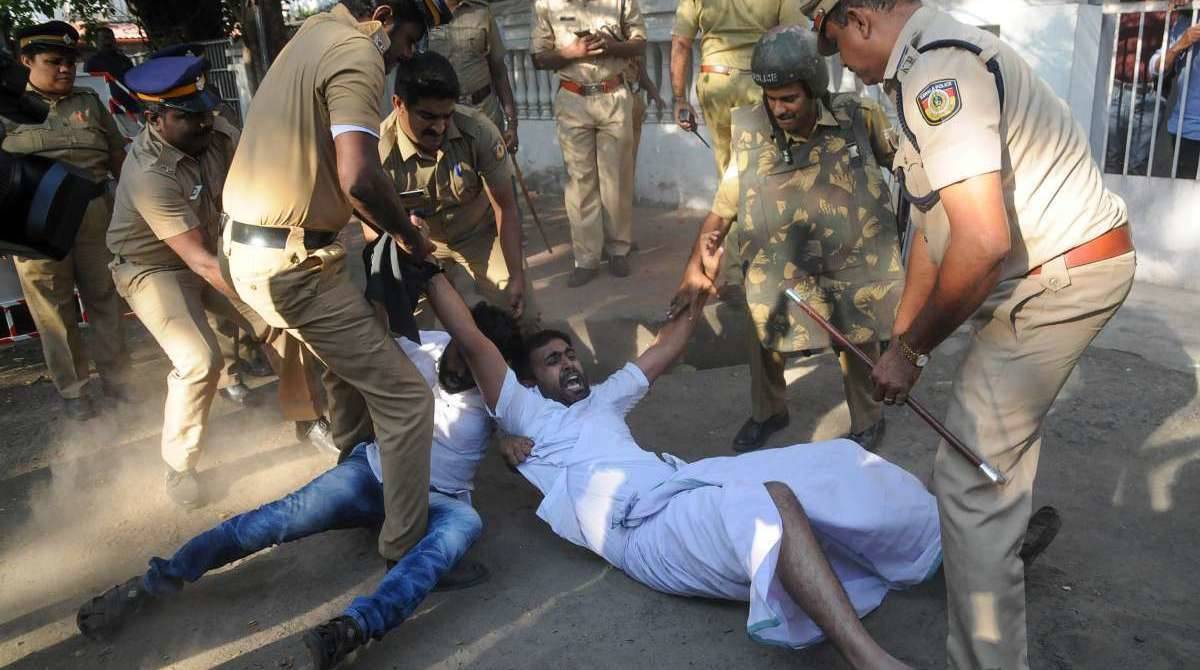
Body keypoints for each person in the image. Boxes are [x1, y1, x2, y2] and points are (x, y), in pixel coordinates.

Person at [802, 1, 1137, 667]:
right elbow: (938, 229)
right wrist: (900, 341)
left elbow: (981, 244)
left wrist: (913, 351)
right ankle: (994, 554)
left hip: (1058, 279)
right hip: (1046, 272)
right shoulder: (919, 66)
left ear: (859, 18)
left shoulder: (938, 71)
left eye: (835, 44)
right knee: (989, 461)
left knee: (968, 480)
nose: (842, 66)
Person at [424, 260, 938, 669]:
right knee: (771, 504)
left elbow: (666, 348)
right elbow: (472, 341)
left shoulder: (604, 399)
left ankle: (940, 536)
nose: (569, 363)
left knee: (835, 460)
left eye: (571, 354)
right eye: (553, 361)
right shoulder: (527, 413)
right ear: (529, 382)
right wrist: (423, 263)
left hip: (686, 481)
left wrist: (699, 285)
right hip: (642, 528)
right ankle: (871, 659)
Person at [74, 304, 525, 670]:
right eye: (461, 351)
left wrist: (508, 438)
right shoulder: (423, 344)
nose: (459, 368)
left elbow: (532, 418)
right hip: (373, 475)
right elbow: (356, 341)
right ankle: (151, 585)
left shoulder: (500, 391)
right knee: (276, 518)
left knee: (465, 523)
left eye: (474, 363)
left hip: (438, 500)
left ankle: (352, 629)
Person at [219, 0, 457, 564]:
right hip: (291, 266)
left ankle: (358, 480)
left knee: (348, 372)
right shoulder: (357, 51)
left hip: (260, 249)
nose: (406, 56)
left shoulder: (315, 32)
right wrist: (408, 235)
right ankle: (406, 546)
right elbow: (358, 177)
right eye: (409, 40)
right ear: (383, 13)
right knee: (407, 399)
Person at [107, 55, 336, 508]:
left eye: (205, 111)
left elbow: (263, 177)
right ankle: (179, 466)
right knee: (199, 360)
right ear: (154, 119)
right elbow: (197, 260)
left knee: (281, 323)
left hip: (212, 251)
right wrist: (260, 295)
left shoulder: (217, 134)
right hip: (154, 268)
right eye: (187, 116)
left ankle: (307, 417)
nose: (203, 123)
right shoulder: (149, 175)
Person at [674, 26, 902, 453]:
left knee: (858, 326)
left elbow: (906, 167)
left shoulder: (858, 117)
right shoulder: (753, 133)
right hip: (782, 261)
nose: (778, 108)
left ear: (814, 89)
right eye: (771, 98)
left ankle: (868, 417)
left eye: (789, 98)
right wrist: (697, 261)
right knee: (762, 322)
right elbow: (724, 206)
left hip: (847, 257)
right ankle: (769, 412)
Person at [3, 20, 131, 421]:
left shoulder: (88, 102)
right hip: (34, 222)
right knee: (53, 311)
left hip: (94, 213)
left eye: (70, 61)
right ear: (26, 61)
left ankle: (119, 384)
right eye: (53, 61)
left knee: (106, 301)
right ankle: (75, 394)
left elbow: (117, 156)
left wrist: (135, 207)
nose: (65, 69)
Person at [376, 51, 537, 328]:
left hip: (479, 234)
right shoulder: (377, 150)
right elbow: (373, 231)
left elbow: (506, 208)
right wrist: (406, 236)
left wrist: (516, 276)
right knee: (406, 328)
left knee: (524, 315)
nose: (439, 127)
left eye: (447, 116)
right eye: (428, 116)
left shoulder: (479, 131)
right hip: (416, 244)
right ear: (399, 104)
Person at [530, 0, 646, 287]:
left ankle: (618, 249)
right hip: (572, 99)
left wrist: (612, 46)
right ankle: (586, 259)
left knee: (616, 178)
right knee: (580, 181)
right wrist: (571, 52)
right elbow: (538, 58)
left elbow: (640, 43)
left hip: (614, 95)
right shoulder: (547, 4)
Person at [671, 0, 804, 176]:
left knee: (726, 165)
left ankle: (728, 192)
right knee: (764, 162)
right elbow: (795, 36)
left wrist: (679, 98)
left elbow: (681, 44)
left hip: (715, 83)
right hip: (761, 81)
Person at [425, 0, 519, 151]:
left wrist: (512, 123)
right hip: (443, 119)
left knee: (497, 164)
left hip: (485, 113)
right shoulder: (425, 14)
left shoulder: (481, 12)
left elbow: (499, 72)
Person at [1105, 7, 1168, 176]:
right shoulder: (1123, 8)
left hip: (1148, 95)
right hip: (1116, 90)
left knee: (1137, 165)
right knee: (1110, 160)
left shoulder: (1165, 10)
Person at [1150, 2, 1200, 179]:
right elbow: (1157, 67)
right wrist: (1181, 44)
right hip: (1186, 130)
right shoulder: (1184, 22)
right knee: (1185, 191)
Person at [83, 26, 142, 137]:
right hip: (108, 110)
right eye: (104, 38)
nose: (108, 42)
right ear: (96, 42)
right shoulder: (92, 62)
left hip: (130, 108)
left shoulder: (124, 59)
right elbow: (90, 86)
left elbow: (135, 80)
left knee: (137, 140)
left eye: (110, 38)